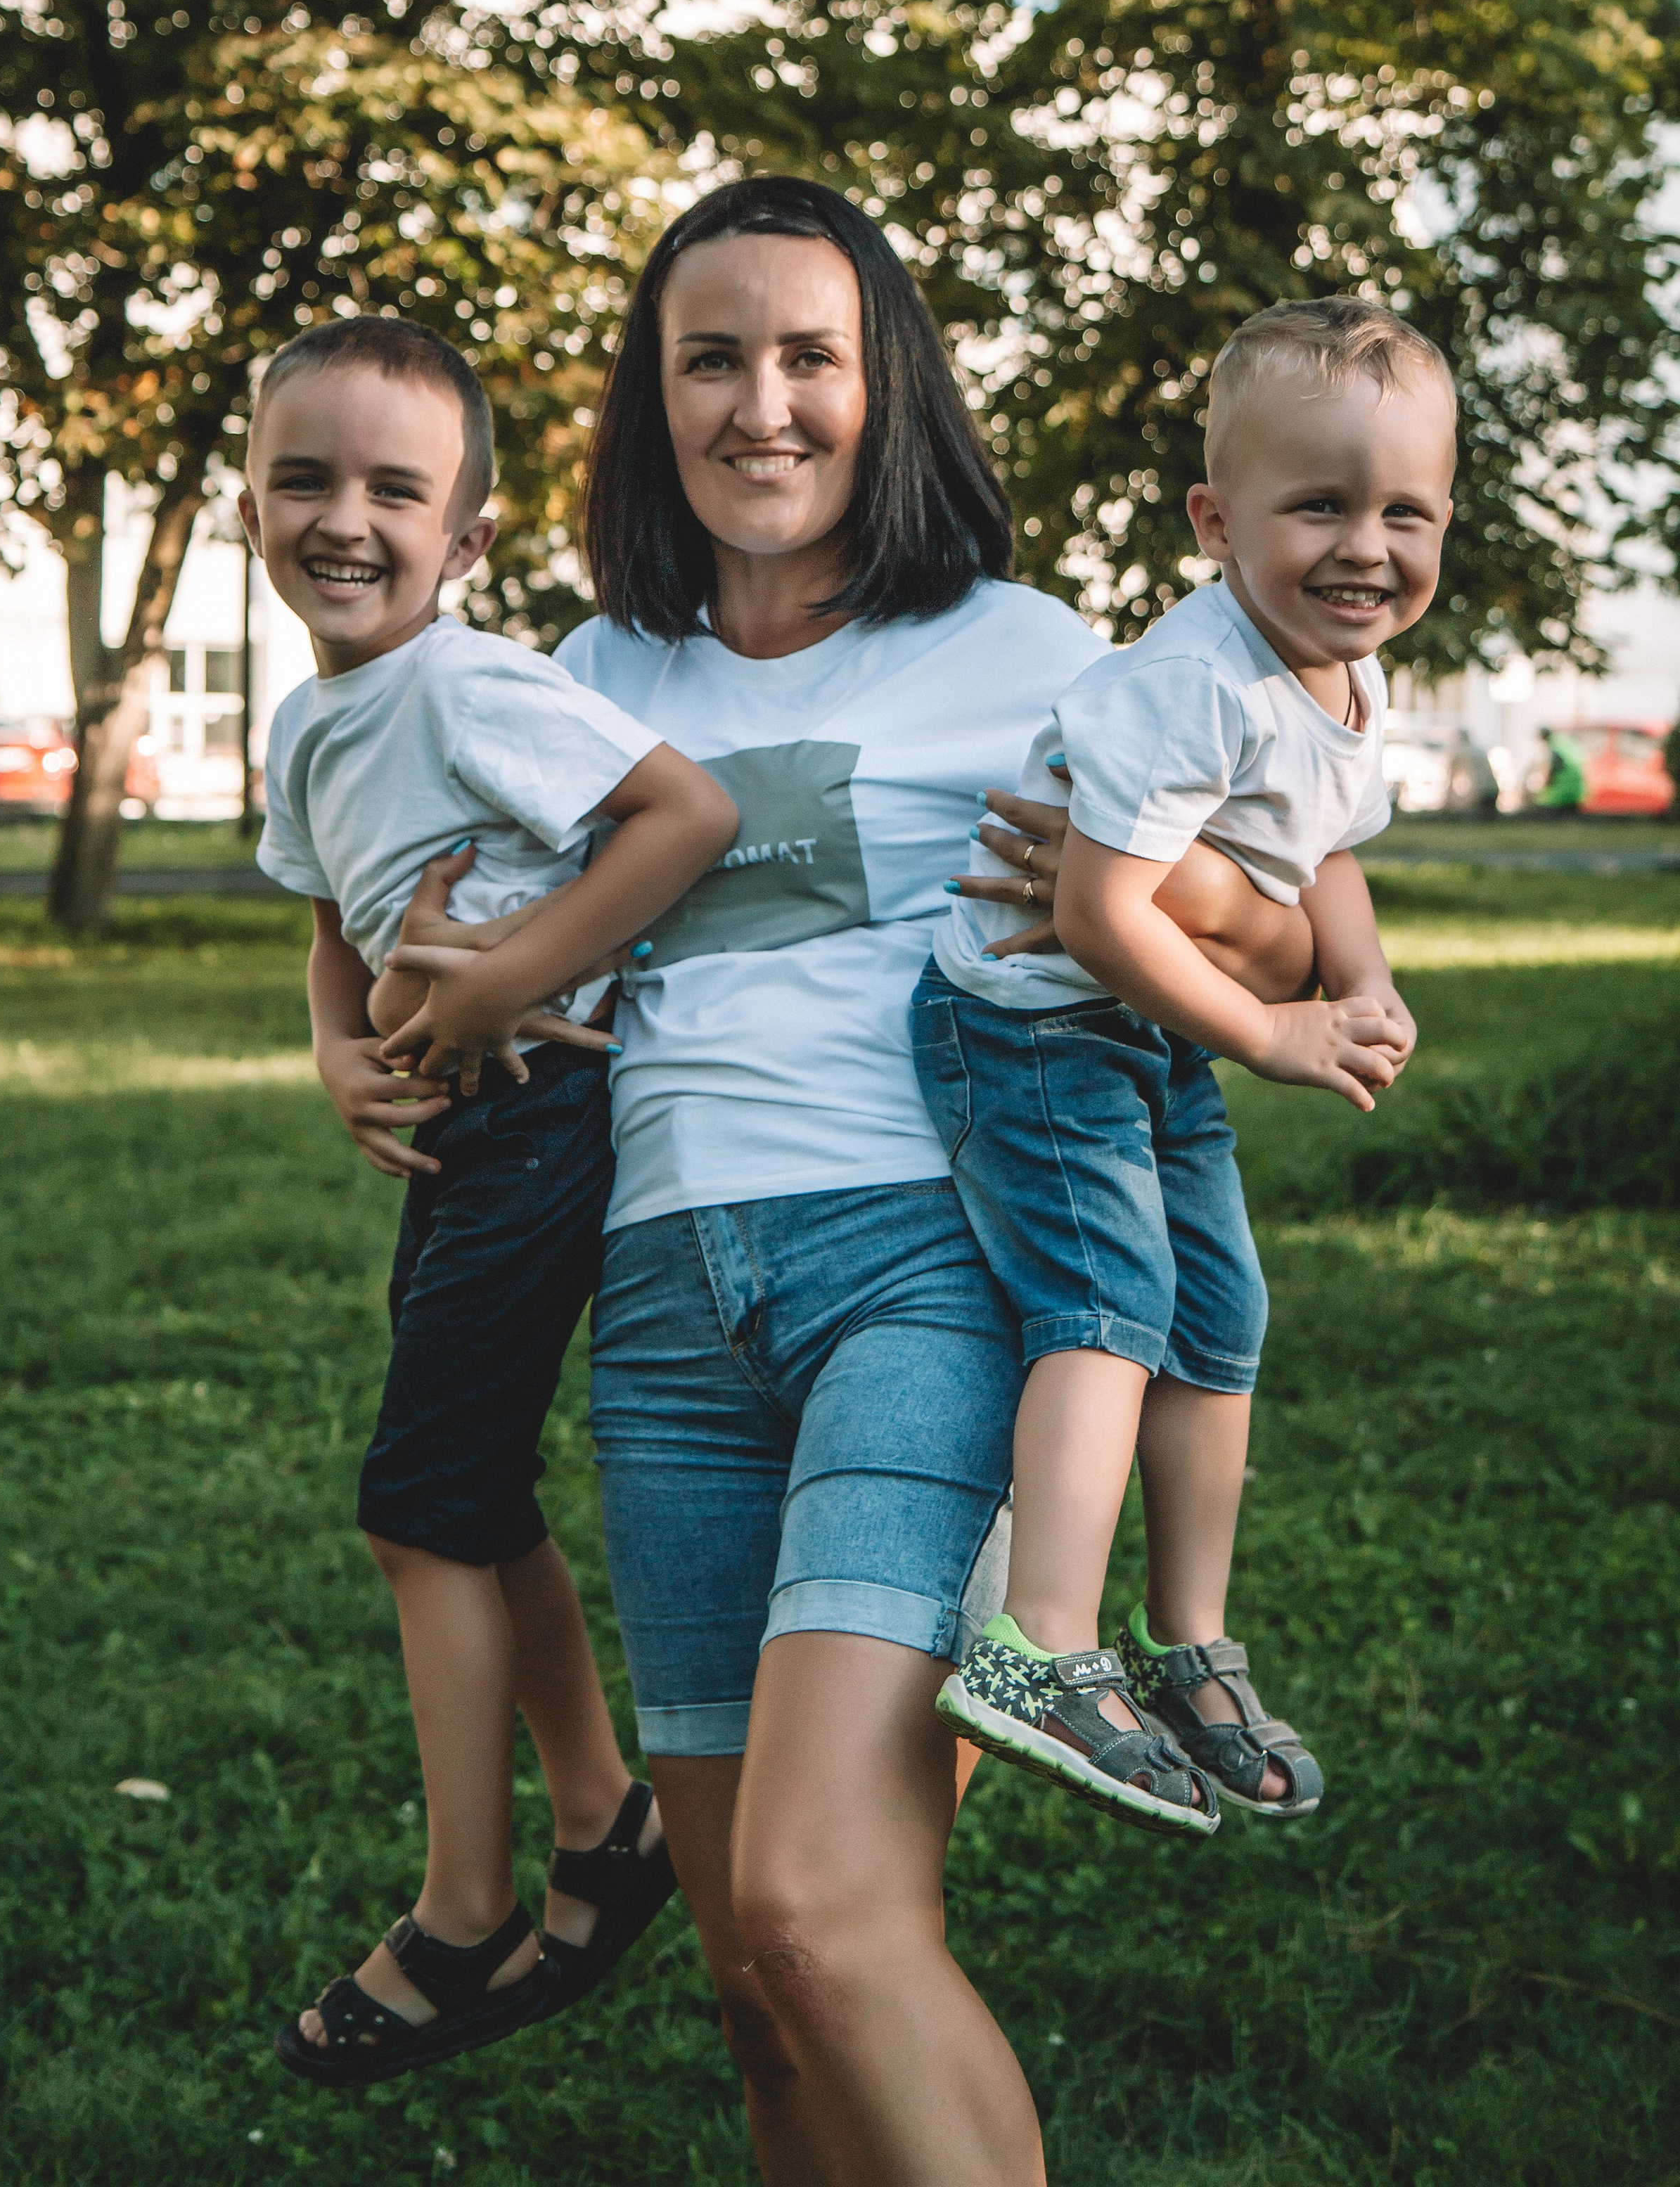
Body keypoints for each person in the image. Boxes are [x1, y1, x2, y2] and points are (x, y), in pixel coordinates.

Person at [402, 176, 1089, 2181]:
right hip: (671, 1322)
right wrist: (362, 1042)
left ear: (892, 391)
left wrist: (1168, 899)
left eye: (812, 357)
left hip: (926, 1285)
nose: (761, 404)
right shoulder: (577, 675)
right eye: (712, 359)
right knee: (754, 1987)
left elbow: (1290, 923)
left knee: (821, 1908)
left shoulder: (1026, 650)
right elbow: (423, 918)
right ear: (654, 395)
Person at [239, 315, 738, 2089]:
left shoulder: (468, 682)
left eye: (396, 489)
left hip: (548, 1108)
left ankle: (460, 1917)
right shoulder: (311, 721)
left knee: (415, 1504)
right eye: (304, 477)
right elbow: (327, 916)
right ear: (248, 497)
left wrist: (497, 972)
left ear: (465, 541)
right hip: (454, 1124)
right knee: (461, 1488)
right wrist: (336, 1047)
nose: (344, 519)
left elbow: (683, 812)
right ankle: (604, 1817)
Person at [926, 295, 1455, 1830]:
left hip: (1144, 1020)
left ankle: (1184, 1642)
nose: (1365, 546)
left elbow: (1322, 847)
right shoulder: (1187, 683)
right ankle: (1037, 1641)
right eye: (1319, 505)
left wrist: (1354, 976)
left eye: (1402, 512)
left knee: (1219, 1316)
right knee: (1107, 1303)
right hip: (1027, 1025)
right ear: (1216, 521)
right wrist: (1275, 1031)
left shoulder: (1345, 676)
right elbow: (1094, 913)